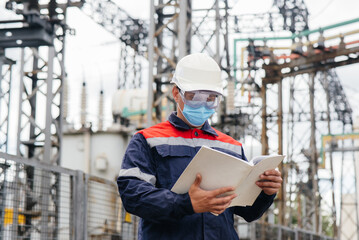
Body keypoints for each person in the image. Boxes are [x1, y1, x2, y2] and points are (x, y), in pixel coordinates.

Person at [117, 53, 282, 240]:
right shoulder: (146, 140)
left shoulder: (231, 146)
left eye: (211, 98)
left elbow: (247, 212)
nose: (202, 105)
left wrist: (266, 192)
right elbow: (133, 196)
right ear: (176, 94)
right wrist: (186, 203)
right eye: (194, 96)